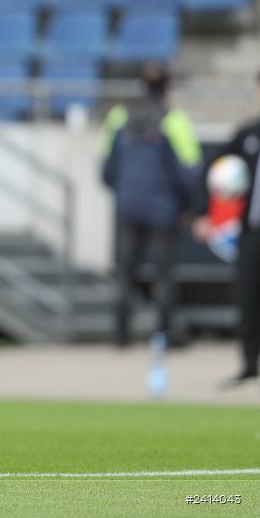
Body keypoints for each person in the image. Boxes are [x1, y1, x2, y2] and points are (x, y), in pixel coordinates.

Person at [101, 64, 202, 347]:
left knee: (125, 273)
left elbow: (106, 168)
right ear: (167, 88)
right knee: (164, 275)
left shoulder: (118, 116)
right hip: (164, 210)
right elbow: (190, 168)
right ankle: (164, 334)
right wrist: (189, 206)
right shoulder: (175, 119)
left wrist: (123, 193)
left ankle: (121, 336)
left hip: (128, 206)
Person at [192, 70, 260, 387]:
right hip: (251, 232)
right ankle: (248, 364)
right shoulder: (248, 135)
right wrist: (204, 213)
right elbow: (213, 168)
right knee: (247, 298)